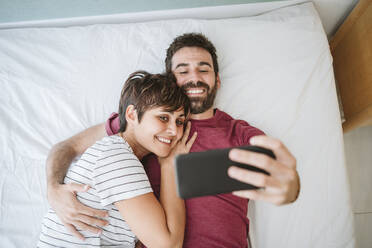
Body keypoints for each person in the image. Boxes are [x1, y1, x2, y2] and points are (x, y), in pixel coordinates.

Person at [46, 33, 300, 247]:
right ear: (170, 79)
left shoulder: (239, 133)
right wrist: (53, 189)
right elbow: (67, 147)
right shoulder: (142, 126)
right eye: (183, 70)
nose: (195, 78)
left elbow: (278, 173)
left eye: (204, 69)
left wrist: (289, 189)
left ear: (217, 80)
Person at [38, 71, 197, 248]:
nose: (174, 131)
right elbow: (169, 245)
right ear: (131, 115)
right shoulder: (117, 157)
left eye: (180, 122)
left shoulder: (120, 154)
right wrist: (171, 166)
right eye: (163, 118)